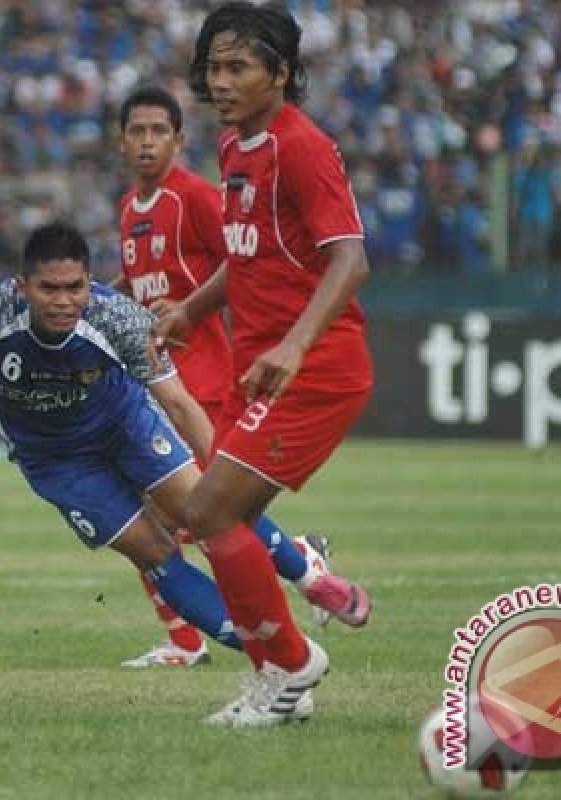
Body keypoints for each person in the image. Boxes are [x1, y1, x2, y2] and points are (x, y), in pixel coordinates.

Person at [0, 221, 325, 727]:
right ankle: (287, 658)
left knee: (201, 508)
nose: (63, 301)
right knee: (156, 554)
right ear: (22, 288)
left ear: (90, 284)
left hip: (124, 426)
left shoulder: (115, 315)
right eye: (49, 288)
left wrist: (221, 480)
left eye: (74, 288)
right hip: (58, 463)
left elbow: (177, 402)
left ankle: (306, 571)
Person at [152, 2, 375, 725]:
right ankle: (280, 677)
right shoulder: (235, 146)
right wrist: (193, 308)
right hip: (270, 367)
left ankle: (289, 667)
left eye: (238, 66)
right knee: (216, 516)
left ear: (281, 73)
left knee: (210, 510)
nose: (221, 81)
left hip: (315, 369)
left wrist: (293, 344)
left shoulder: (300, 146)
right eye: (214, 66)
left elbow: (351, 260)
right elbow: (247, 255)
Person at [115, 85, 352, 669]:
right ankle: (187, 637)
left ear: (178, 139)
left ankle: (297, 562)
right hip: (156, 381)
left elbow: (241, 260)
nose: (147, 142)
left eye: (157, 131)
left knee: (195, 510)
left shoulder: (194, 196)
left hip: (206, 381)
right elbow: (142, 287)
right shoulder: (129, 209)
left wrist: (192, 311)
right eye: (136, 132)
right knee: (150, 511)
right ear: (121, 141)